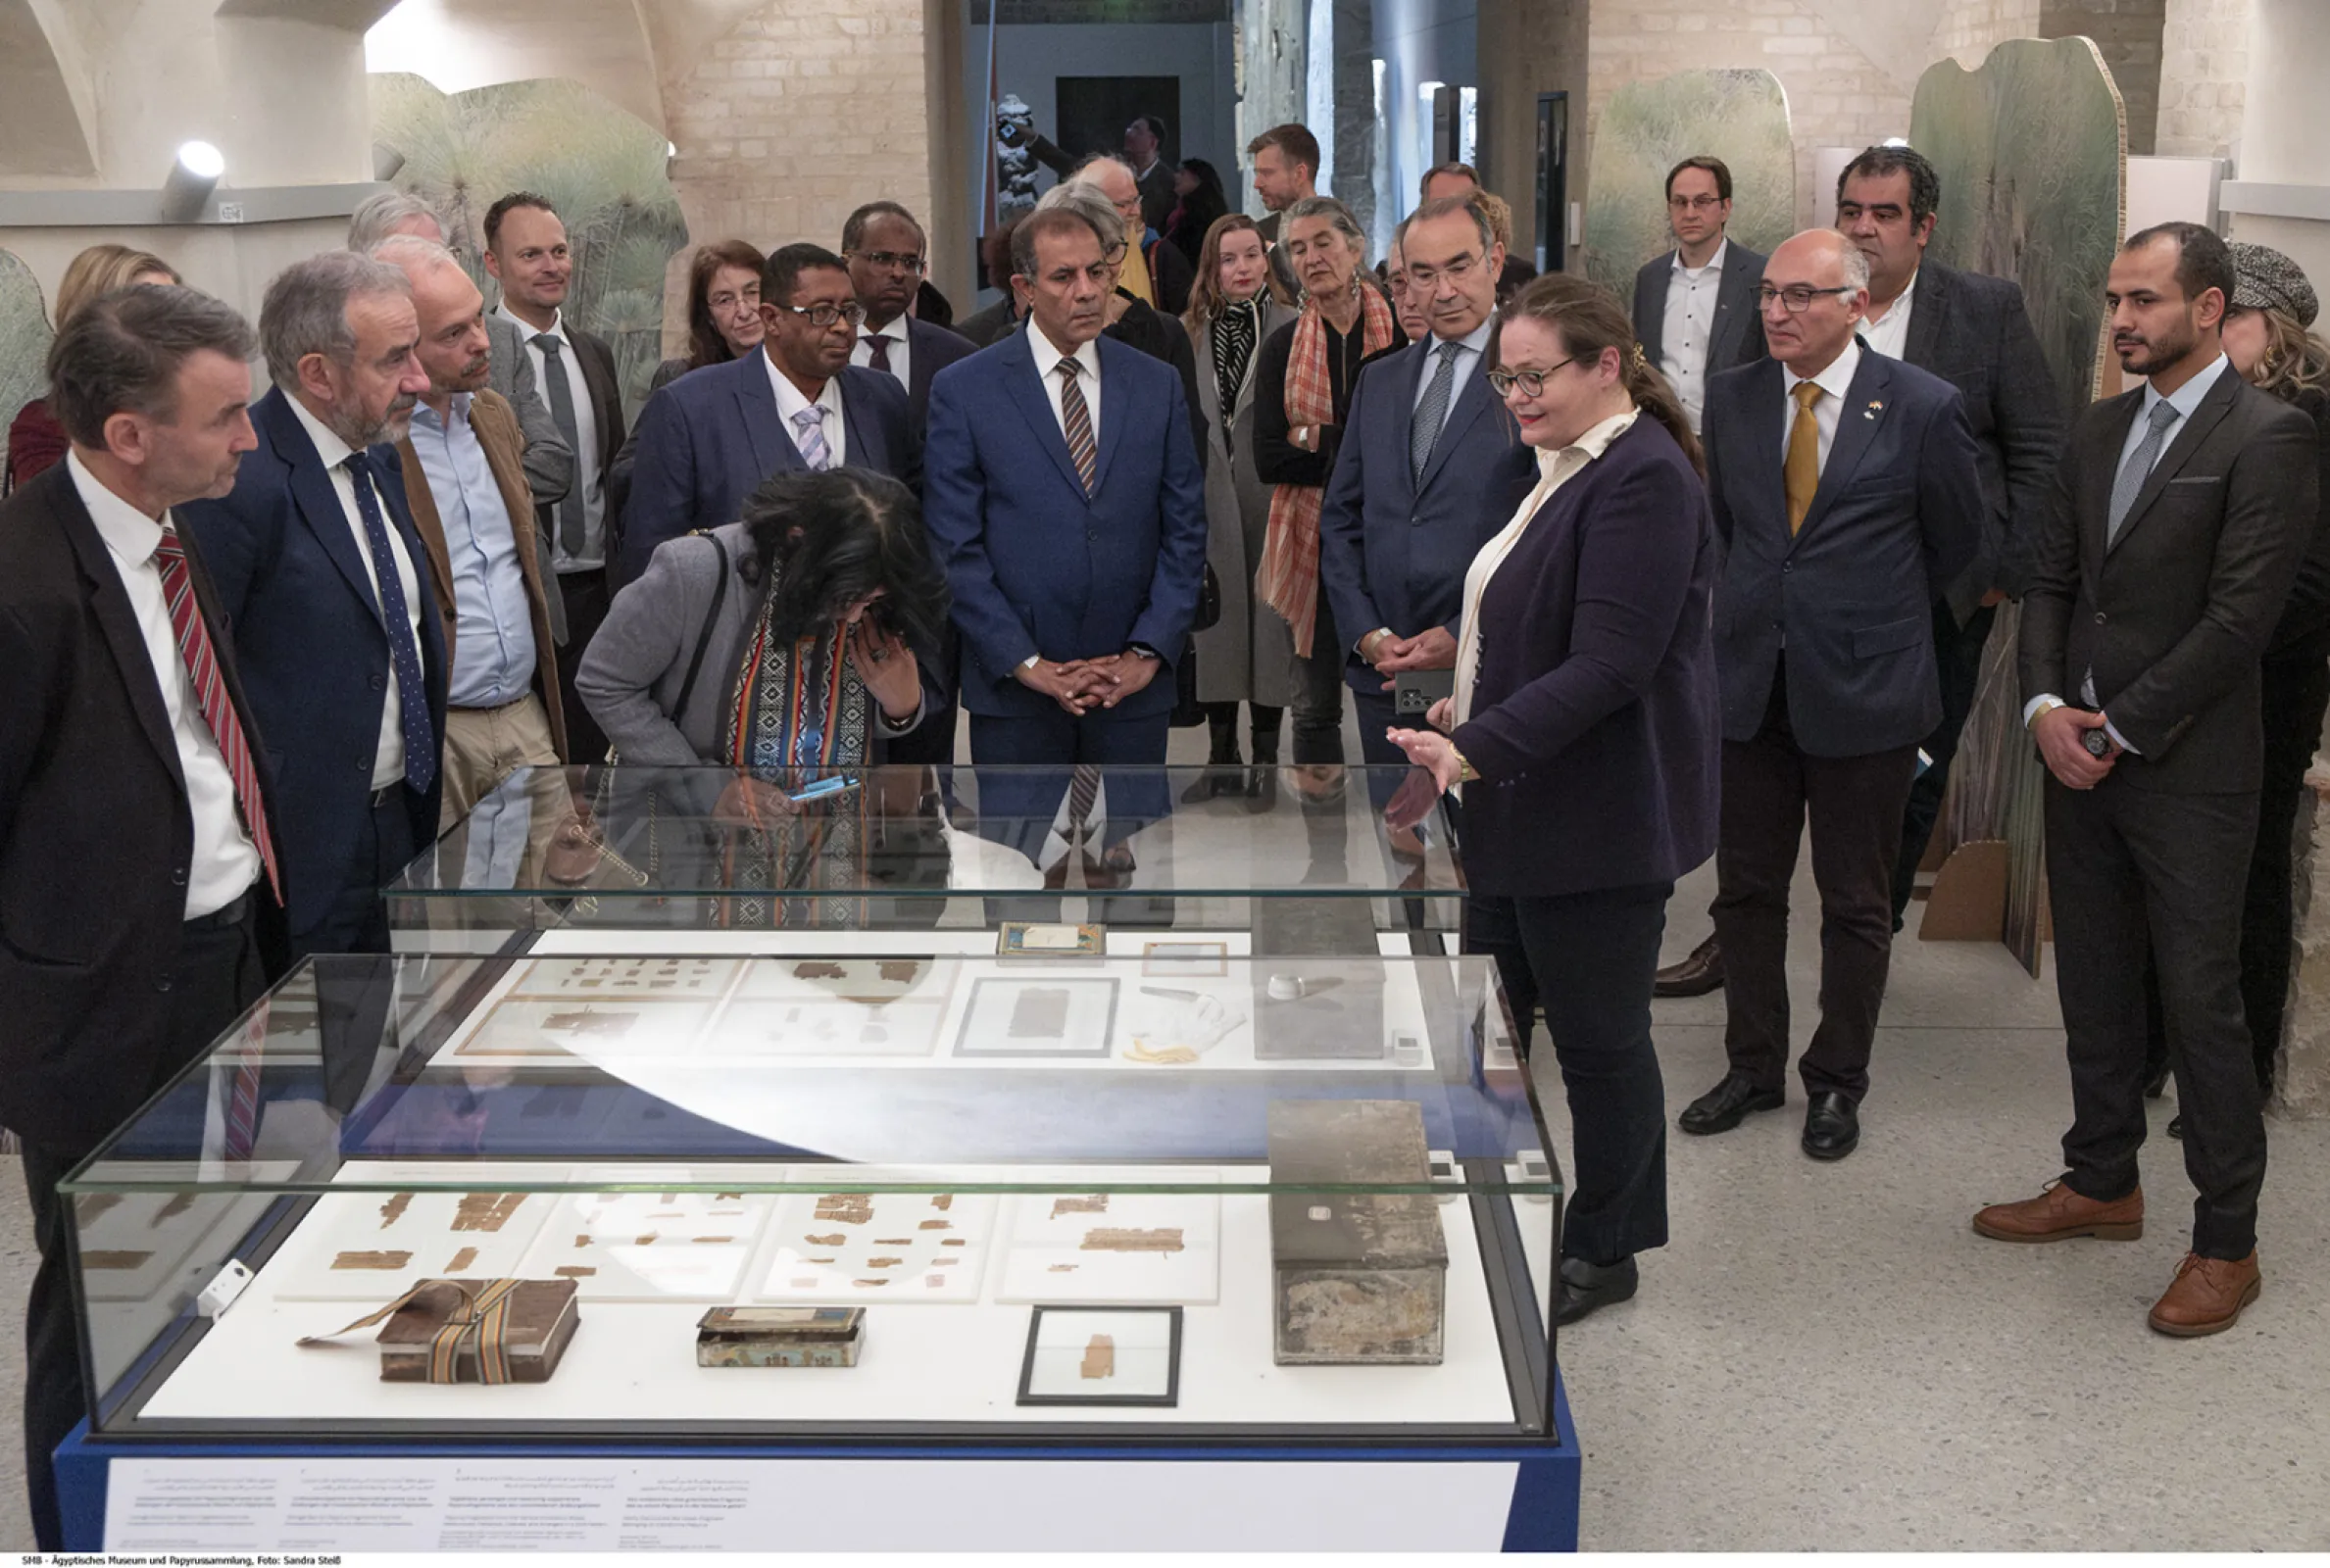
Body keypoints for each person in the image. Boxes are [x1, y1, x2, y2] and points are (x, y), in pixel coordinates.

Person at [1976, 223, 2318, 1338]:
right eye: (2115, 299)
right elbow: (2050, 583)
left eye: (2144, 300)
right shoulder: (2097, 427)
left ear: (2209, 309)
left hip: (2189, 771)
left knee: (2198, 1002)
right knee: (2094, 985)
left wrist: (2118, 727)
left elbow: (2240, 620)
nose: (2120, 319)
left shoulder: (2267, 435)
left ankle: (2226, 1242)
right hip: (2077, 757)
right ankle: (2100, 1180)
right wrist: (2043, 711)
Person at [1383, 272, 1719, 1328]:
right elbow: (1538, 618)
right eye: (1505, 379)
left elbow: (1612, 663)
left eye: (1536, 377)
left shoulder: (1643, 477)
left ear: (1606, 366)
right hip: (1519, 801)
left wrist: (1470, 746)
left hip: (1596, 817)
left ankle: (1606, 1247)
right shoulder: (1564, 462)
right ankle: (1490, 1206)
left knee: (1598, 1045)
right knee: (1488, 1030)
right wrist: (1468, 691)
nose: (1517, 397)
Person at [0, 284, 277, 1551]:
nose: (248, 440)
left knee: (208, 1258)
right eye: (223, 418)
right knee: (99, 1294)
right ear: (127, 433)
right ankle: (78, 1539)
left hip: (222, 956)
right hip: (98, 998)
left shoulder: (171, 535)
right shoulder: (25, 585)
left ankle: (194, 1513)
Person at [1679, 229, 1984, 1161]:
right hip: (1750, 686)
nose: (1776, 311)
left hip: (1865, 689)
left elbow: (1955, 541)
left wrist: (1861, 611)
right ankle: (1751, 1066)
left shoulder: (1922, 406)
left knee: (1854, 901)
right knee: (1744, 893)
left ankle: (1836, 1081)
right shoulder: (1732, 397)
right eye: (1769, 294)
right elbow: (1729, 531)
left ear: (1853, 306)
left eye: (1800, 296)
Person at [921, 204, 1208, 870]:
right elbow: (954, 546)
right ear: (1023, 288)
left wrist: (1146, 653)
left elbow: (1186, 530)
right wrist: (1027, 663)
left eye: (1097, 273)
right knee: (1021, 882)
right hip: (1017, 692)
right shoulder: (966, 390)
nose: (1086, 291)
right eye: (1063, 277)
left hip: (1130, 687)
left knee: (1134, 887)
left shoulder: (1156, 383)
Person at [178, 251, 448, 958]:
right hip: (305, 852)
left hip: (402, 817)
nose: (419, 379)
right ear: (319, 374)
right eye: (394, 360)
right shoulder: (237, 484)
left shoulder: (377, 455)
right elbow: (204, 689)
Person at [2144, 242, 2330, 1119]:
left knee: (2247, 872)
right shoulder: (2200, 410)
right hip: (2185, 676)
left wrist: (2210, 650)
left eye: (2235, 320)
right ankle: (2151, 1046)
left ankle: (2235, 1075)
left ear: (2272, 326)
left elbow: (2309, 582)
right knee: (2164, 867)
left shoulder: (2310, 422)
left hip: (2263, 686)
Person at [1315, 194, 1535, 783]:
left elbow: (1550, 534)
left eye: (1459, 267)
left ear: (1495, 260)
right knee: (1396, 828)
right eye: (1423, 274)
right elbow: (1340, 519)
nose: (1443, 291)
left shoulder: (1533, 379)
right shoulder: (1379, 381)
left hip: (1493, 671)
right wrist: (1367, 635)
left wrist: (1464, 632)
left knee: (1482, 833)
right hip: (1386, 675)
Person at [372, 236, 570, 824]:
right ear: (404, 348)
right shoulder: (379, 443)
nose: (482, 341)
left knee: (554, 876)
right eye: (453, 333)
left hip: (525, 714)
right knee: (450, 885)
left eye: (478, 318)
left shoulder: (492, 413)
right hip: (439, 731)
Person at [578, 466, 944, 779]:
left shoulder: (873, 584)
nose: (854, 616)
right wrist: (705, 787)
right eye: (845, 599)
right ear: (798, 540)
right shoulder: (693, 571)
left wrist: (903, 708)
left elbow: (848, 718)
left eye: (872, 599)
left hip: (826, 829)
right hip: (696, 828)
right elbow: (605, 681)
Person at [620, 243, 917, 585]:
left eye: (850, 311)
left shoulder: (883, 399)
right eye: (821, 312)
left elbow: (909, 528)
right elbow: (651, 563)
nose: (841, 327)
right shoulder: (689, 408)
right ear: (772, 319)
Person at [1253, 197, 1406, 772]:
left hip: (1389, 540)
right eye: (1298, 248)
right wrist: (1353, 446)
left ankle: (1410, 817)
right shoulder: (1282, 346)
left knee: (1402, 693)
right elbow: (1268, 456)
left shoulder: (1401, 336)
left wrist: (1314, 437)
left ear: (1356, 247)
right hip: (1309, 545)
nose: (1312, 258)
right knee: (1314, 709)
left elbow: (1406, 449)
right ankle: (1323, 833)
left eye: (1323, 243)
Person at [345, 190, 574, 540]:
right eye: (406, 262)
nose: (478, 342)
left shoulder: (498, 344)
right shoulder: (351, 399)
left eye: (439, 254)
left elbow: (555, 462)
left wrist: (476, 482)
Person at [484, 191, 624, 760]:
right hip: (520, 594)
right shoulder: (478, 360)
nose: (551, 266)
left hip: (597, 591)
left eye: (559, 251)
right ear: (493, 264)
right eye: (531, 254)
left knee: (592, 755)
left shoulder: (594, 353)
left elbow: (612, 468)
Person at [1181, 213, 1301, 797]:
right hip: (1210, 492)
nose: (1242, 268)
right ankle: (1222, 757)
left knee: (1271, 628)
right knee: (1219, 627)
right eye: (1228, 259)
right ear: (1212, 267)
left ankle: (1266, 761)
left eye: (1252, 254)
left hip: (1271, 492)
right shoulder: (1190, 332)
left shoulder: (1294, 326)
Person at [1037, 181, 1209, 456]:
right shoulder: (1020, 340)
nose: (1102, 268)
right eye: (1075, 258)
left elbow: (1189, 447)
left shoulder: (1164, 333)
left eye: (1111, 249)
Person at [5, 244, 178, 494]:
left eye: (180, 311)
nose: (176, 328)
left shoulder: (197, 407)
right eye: (152, 313)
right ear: (97, 324)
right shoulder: (46, 425)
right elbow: (56, 511)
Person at [1630, 157, 1766, 442]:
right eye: (1680, 202)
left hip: (1733, 437)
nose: (1690, 213)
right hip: (1661, 435)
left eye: (1702, 202)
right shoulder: (1650, 278)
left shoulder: (1759, 277)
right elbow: (1640, 360)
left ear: (1725, 208)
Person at [843, 202, 975, 427]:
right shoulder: (814, 349)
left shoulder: (959, 357)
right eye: (882, 258)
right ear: (846, 263)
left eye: (910, 262)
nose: (898, 273)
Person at [1074, 155, 1195, 318]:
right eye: (1124, 204)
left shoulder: (1161, 256)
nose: (1136, 212)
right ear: (1092, 206)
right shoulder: (1061, 257)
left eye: (1136, 200)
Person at [648, 239, 768, 395]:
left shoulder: (797, 374)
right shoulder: (678, 383)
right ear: (708, 314)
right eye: (725, 300)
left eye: (752, 292)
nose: (744, 312)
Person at [1248, 122, 1322, 298]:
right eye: (1257, 174)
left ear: (1299, 174)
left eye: (1267, 173)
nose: (1257, 184)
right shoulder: (1257, 235)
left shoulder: (1340, 229)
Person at [1164, 157, 1231, 267]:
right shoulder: (1177, 206)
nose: (1176, 176)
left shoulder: (1200, 216)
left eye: (1182, 173)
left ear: (1197, 179)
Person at [1123, 114, 1177, 237]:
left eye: (1137, 131)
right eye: (1130, 129)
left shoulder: (1167, 182)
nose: (1129, 134)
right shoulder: (1119, 173)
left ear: (1153, 142)